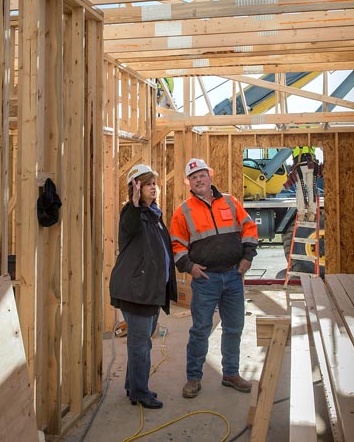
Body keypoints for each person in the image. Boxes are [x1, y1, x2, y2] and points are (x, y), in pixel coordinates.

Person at [170, 158, 259, 398]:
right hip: (205, 279)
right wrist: (190, 267)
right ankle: (193, 378)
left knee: (234, 327)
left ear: (210, 177)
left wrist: (248, 256)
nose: (199, 180)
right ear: (189, 182)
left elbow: (249, 228)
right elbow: (176, 245)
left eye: (202, 175)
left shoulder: (230, 202)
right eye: (194, 177)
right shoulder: (183, 211)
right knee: (200, 329)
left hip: (233, 276)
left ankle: (230, 374)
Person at [109, 164, 177, 409]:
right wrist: (136, 203)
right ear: (135, 188)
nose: (153, 188)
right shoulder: (132, 214)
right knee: (141, 345)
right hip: (135, 292)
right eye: (147, 184)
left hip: (150, 291)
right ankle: (140, 392)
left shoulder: (153, 215)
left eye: (153, 184)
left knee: (142, 340)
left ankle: (132, 385)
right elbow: (130, 226)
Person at [291, 146, 319, 222]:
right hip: (311, 162)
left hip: (300, 164)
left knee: (300, 189)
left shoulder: (294, 139)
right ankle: (311, 213)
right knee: (311, 188)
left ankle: (301, 214)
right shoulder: (310, 136)